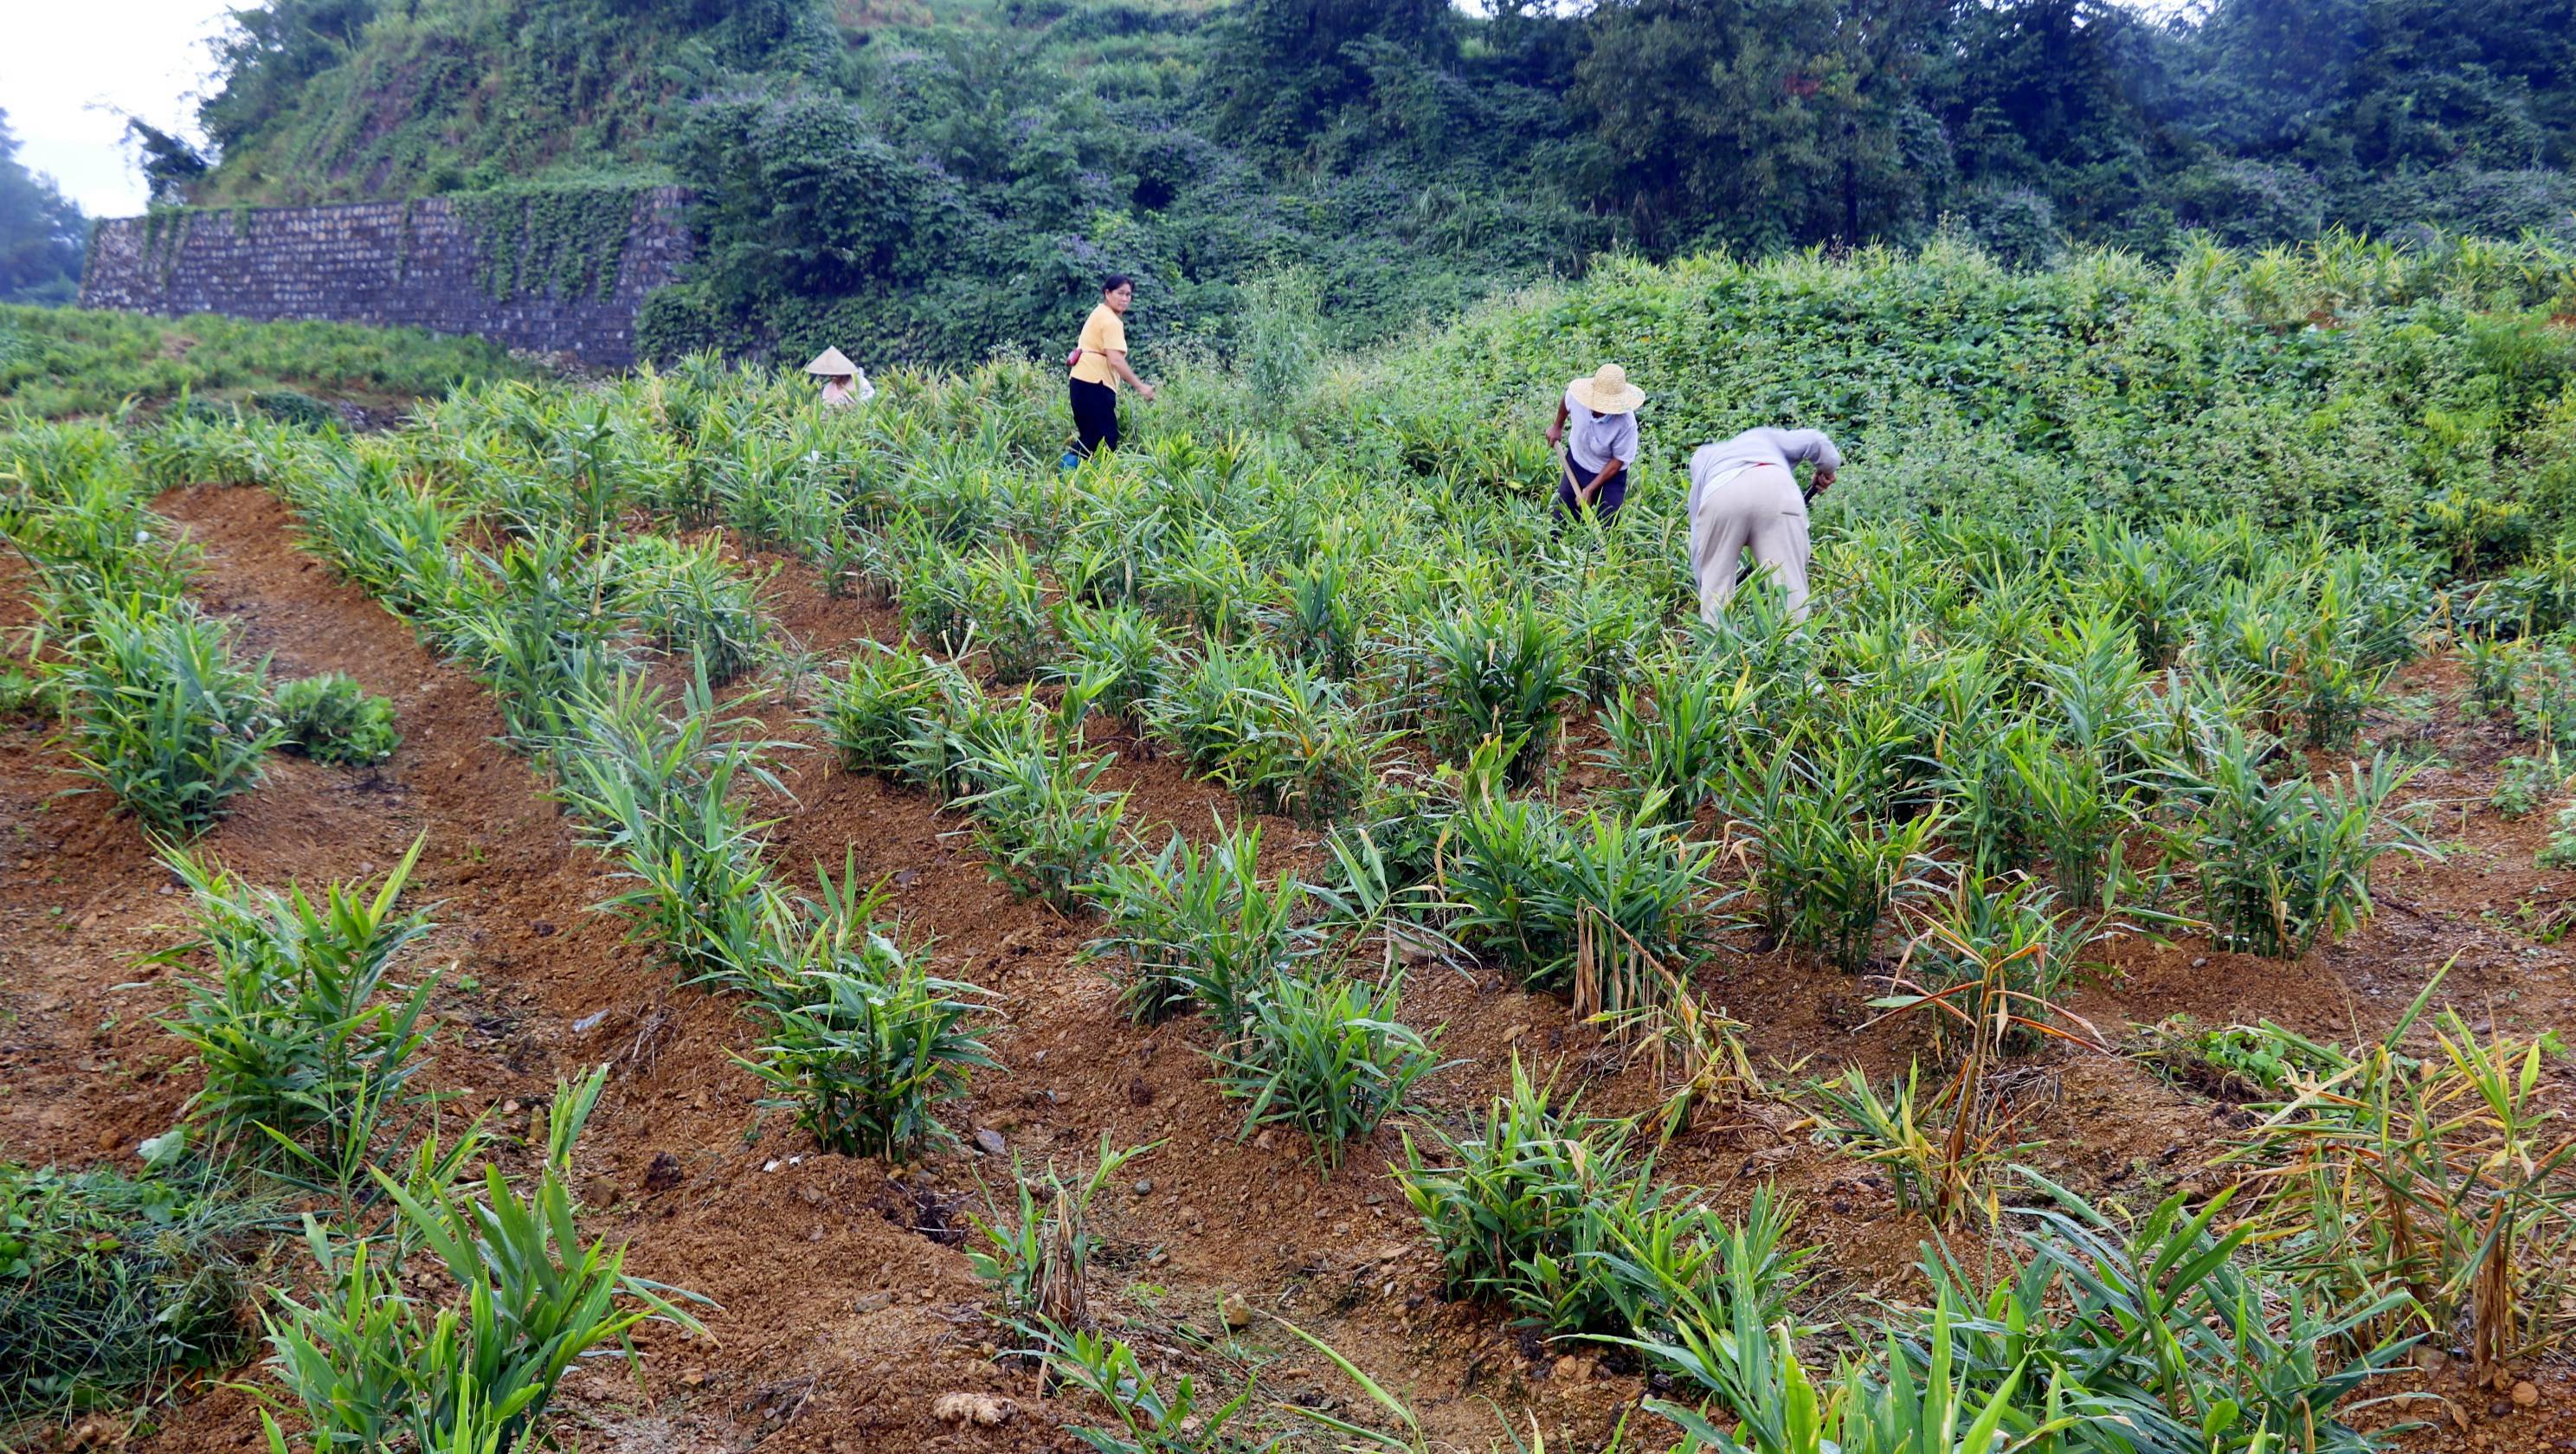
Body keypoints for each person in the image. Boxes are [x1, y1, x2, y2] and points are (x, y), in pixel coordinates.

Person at [1688, 426, 1842, 626]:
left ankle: (1717, 652)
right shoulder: (1760, 437)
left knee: (1716, 593)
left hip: (1721, 494)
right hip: (1775, 485)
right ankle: (1794, 652)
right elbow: (1815, 441)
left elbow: (1699, 550)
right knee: (1790, 589)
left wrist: (1705, 585)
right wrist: (1827, 469)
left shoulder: (1702, 476)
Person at [1067, 274, 1154, 464]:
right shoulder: (1111, 321)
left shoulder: (1099, 313)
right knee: (1105, 439)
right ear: (1107, 293)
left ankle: (1070, 481)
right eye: (1120, 293)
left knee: (1091, 438)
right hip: (1094, 384)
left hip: (1080, 382)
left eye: (1128, 295)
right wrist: (1141, 386)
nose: (1124, 299)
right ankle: (1071, 480)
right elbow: (1115, 360)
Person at [1548, 364, 1643, 524]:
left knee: (1607, 523)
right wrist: (1557, 426)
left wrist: (1590, 488)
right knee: (1560, 517)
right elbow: (1565, 402)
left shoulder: (1626, 423)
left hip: (1609, 477)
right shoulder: (1578, 397)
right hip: (1576, 463)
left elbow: (1617, 461)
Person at [804, 347, 874, 409]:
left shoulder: (860, 383)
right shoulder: (828, 389)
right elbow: (826, 411)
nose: (832, 375)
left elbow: (869, 403)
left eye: (835, 372)